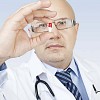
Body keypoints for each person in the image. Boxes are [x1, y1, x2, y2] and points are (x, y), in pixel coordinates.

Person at [0, 0, 100, 100]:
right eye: (43, 26)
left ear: (76, 29)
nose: (54, 34)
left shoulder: (97, 71)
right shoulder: (10, 84)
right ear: (31, 33)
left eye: (62, 23)